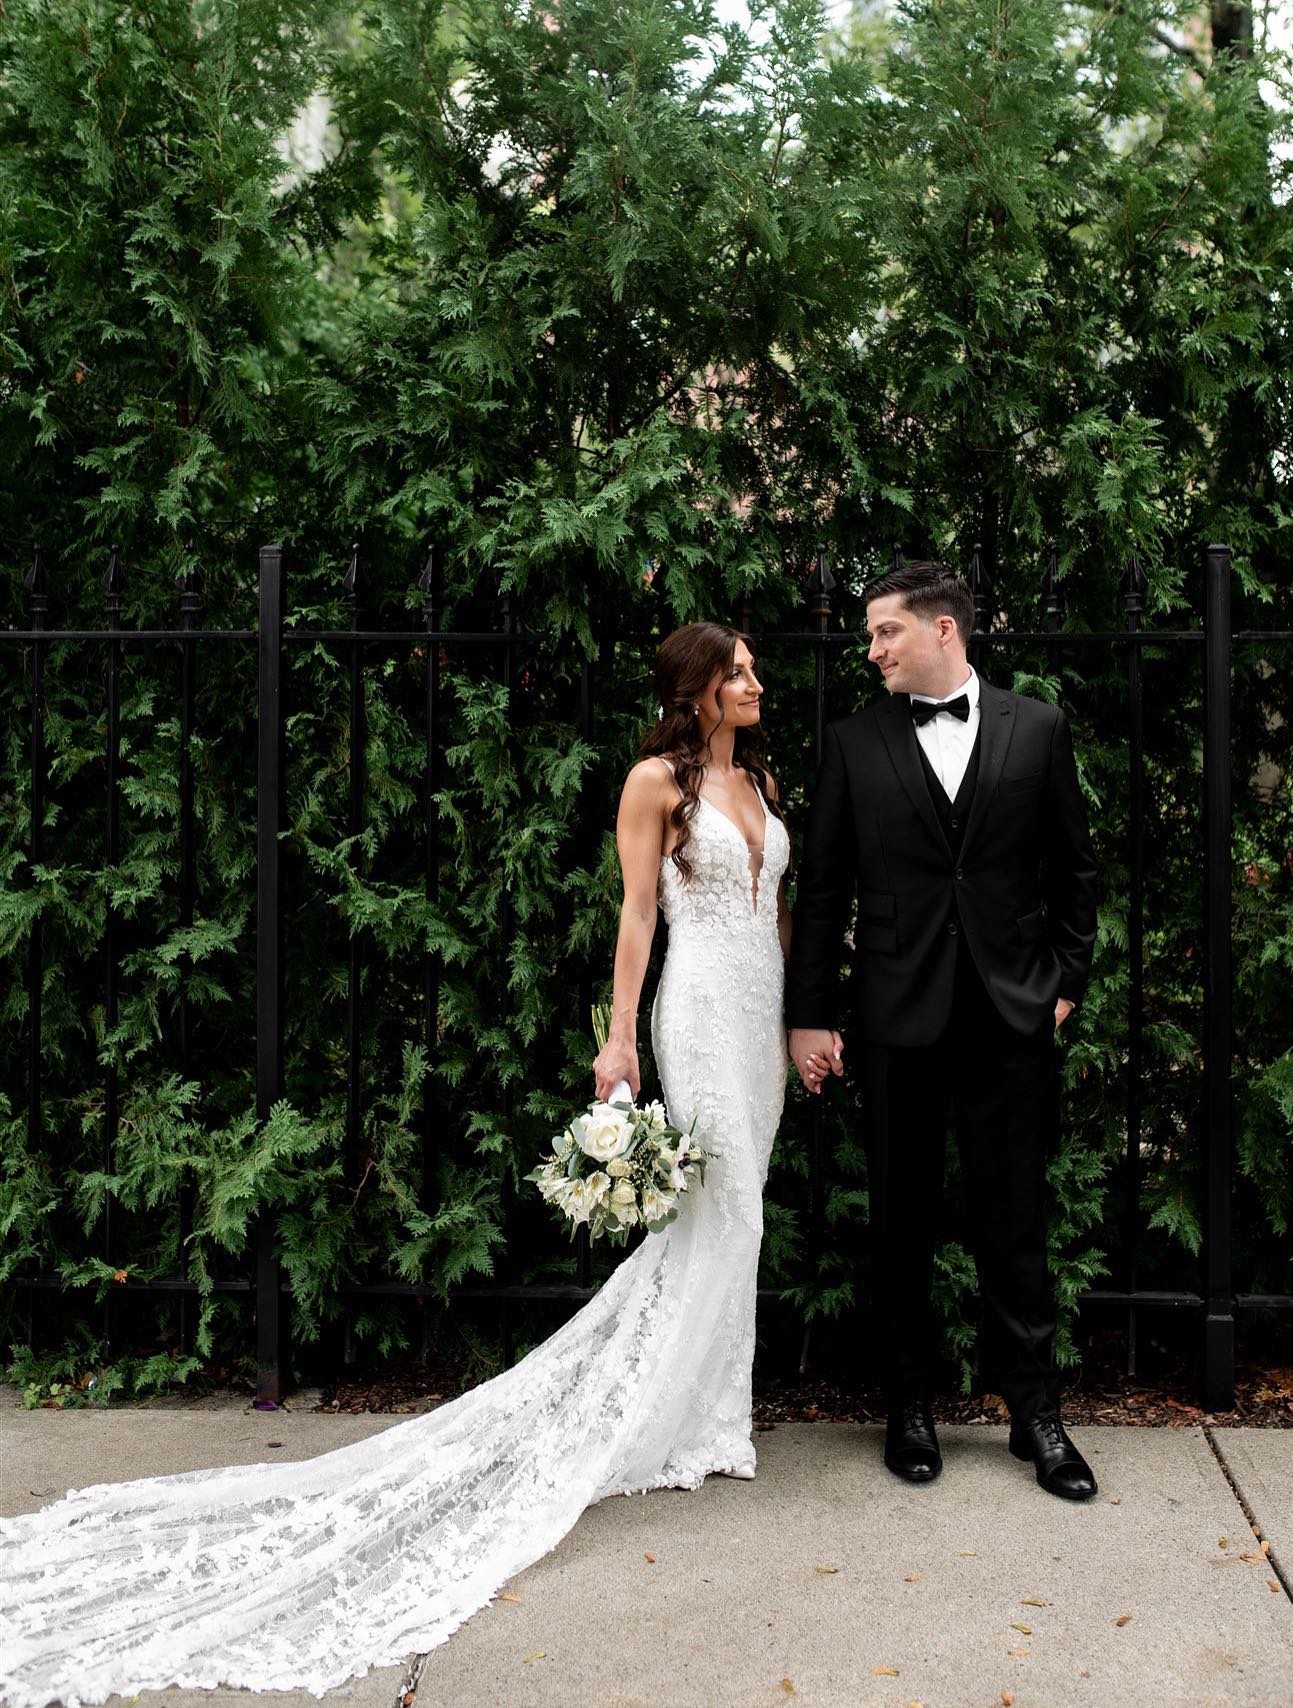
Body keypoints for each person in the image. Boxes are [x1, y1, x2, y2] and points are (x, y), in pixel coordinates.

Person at [0, 623, 791, 1708]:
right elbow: (639, 911)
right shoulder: (654, 780)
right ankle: (672, 1417)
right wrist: (616, 1039)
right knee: (726, 1211)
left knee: (724, 1221)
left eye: (750, 669)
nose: (753, 682)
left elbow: (771, 912)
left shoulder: (759, 778)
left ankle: (702, 1411)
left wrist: (798, 1023)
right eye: (736, 670)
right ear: (695, 688)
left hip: (759, 1024)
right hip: (696, 1015)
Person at [785, 560, 1100, 1501]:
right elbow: (825, 886)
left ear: (943, 631)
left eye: (885, 631)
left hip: (1008, 1013)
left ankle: (1035, 1415)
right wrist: (810, 1015)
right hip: (894, 1016)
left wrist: (1063, 984)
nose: (871, 648)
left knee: (1014, 1221)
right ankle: (908, 1407)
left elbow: (1074, 873)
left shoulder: (1036, 727)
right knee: (902, 1221)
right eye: (871, 634)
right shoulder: (852, 741)